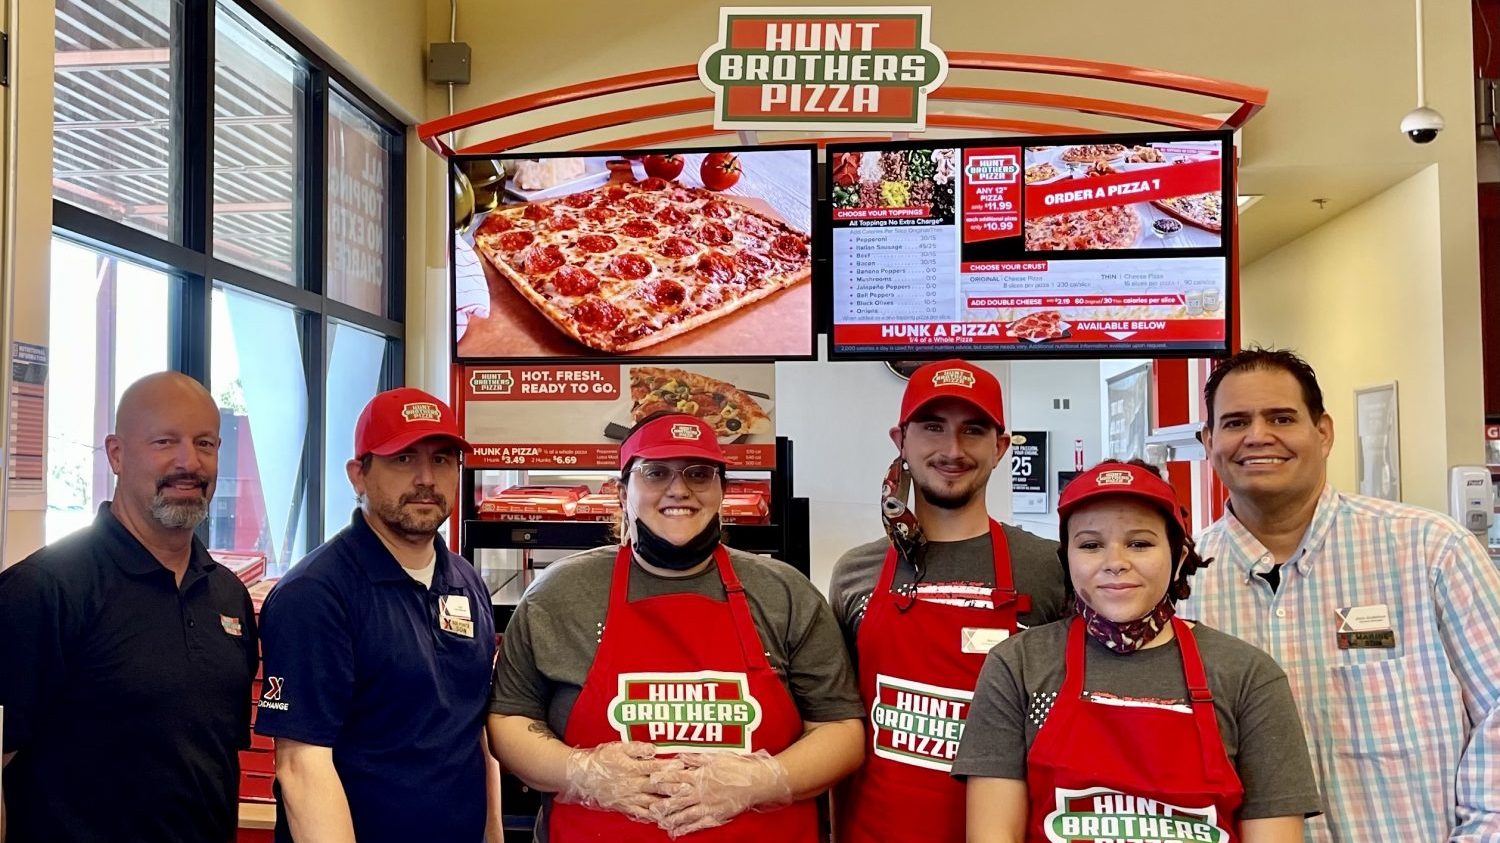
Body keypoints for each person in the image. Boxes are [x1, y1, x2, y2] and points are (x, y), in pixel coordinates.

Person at [488, 412, 865, 841]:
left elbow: (840, 729)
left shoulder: (785, 594)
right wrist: (582, 773)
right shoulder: (558, 593)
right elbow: (510, 718)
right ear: (622, 491)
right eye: (656, 473)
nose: (679, 489)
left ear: (722, 489)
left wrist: (762, 781)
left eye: (699, 474)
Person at [1182, 347, 1500, 841]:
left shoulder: (1431, 550)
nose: (1257, 436)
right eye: (1235, 422)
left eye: (1281, 418)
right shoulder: (1180, 584)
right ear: (1208, 441)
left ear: (1323, 432)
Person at [956, 459, 1320, 843]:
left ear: (1179, 558)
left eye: (1140, 543)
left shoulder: (1249, 677)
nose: (1116, 563)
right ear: (1067, 560)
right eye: (1091, 545)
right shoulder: (1018, 666)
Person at [0, 371, 258, 843]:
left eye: (205, 443)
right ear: (116, 454)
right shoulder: (44, 591)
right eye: (164, 441)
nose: (189, 462)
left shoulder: (228, 597)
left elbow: (210, 760)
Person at [828, 358, 1068, 843]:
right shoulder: (855, 574)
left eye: (973, 431)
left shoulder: (1051, 568)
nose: (952, 450)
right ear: (901, 441)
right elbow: (837, 725)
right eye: (933, 427)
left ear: (1000, 448)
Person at [254, 387, 499, 843]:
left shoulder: (465, 580)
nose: (427, 478)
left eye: (443, 460)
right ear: (358, 475)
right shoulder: (316, 594)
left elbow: (474, 735)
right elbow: (302, 767)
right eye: (404, 459)